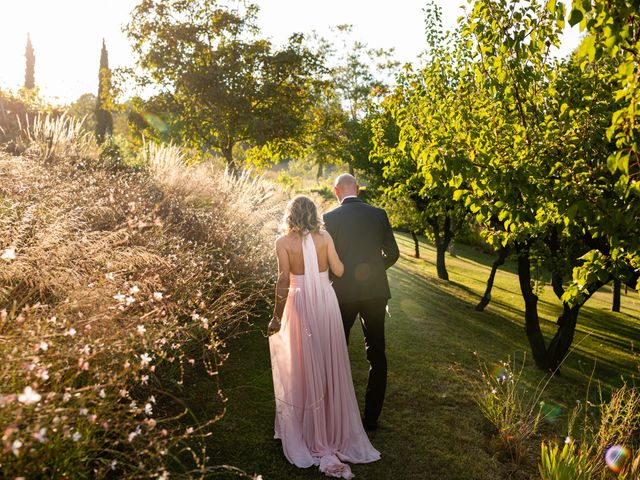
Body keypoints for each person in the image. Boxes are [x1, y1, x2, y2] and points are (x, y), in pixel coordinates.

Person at [268, 195, 380, 479]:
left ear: (290, 215)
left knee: (301, 361)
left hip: (299, 302)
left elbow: (283, 281)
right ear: (314, 214)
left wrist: (276, 316)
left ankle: (307, 427)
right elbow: (339, 271)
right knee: (327, 360)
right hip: (325, 302)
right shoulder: (325, 237)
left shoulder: (283, 243)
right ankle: (330, 426)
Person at [322, 174, 399, 432]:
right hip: (376, 292)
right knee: (376, 354)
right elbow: (394, 253)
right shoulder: (379, 213)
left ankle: (334, 412)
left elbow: (326, 261)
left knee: (336, 350)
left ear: (336, 191)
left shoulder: (330, 218)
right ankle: (371, 419)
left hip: (343, 292)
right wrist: (376, 271)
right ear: (357, 189)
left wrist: (337, 277)